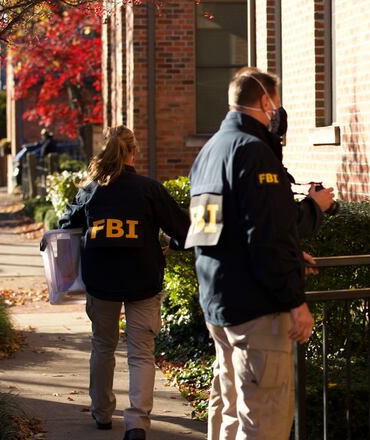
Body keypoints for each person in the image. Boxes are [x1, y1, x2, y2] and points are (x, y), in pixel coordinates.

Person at [188, 67, 316, 440]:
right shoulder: (254, 153)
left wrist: (294, 256)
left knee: (229, 412)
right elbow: (268, 237)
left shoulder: (210, 151)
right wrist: (296, 301)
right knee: (263, 421)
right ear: (265, 101)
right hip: (256, 311)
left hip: (219, 304)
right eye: (275, 102)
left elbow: (214, 231)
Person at [59, 126, 190, 440]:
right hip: (143, 280)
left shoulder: (90, 190)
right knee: (141, 353)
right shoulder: (149, 189)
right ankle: (137, 424)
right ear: (134, 151)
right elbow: (184, 229)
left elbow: (65, 225)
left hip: (100, 281)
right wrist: (172, 244)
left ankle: (102, 413)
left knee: (102, 347)